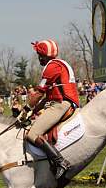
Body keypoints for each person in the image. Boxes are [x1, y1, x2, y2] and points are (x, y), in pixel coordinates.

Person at [18, 39, 79, 180]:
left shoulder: (51, 67)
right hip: (61, 102)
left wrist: (26, 108)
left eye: (38, 54)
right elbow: (46, 97)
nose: (38, 57)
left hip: (61, 104)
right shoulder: (59, 64)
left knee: (32, 134)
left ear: (42, 55)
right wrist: (32, 112)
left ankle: (60, 162)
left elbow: (39, 93)